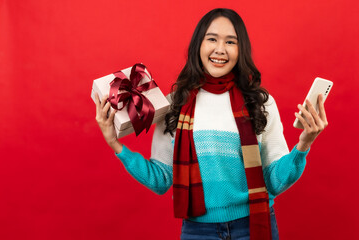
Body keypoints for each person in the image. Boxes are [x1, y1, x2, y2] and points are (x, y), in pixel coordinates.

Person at [94, 8, 328, 240]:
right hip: (198, 231)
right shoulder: (175, 104)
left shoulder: (260, 103)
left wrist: (303, 145)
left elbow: (275, 181)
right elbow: (161, 180)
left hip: (253, 226)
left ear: (241, 50)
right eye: (212, 39)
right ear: (199, 46)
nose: (220, 49)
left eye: (230, 42)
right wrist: (115, 144)